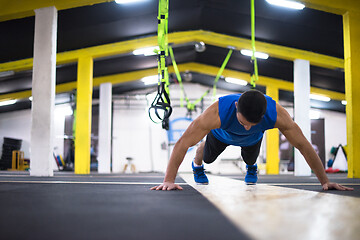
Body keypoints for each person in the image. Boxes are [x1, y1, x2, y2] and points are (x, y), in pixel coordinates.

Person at [151, 90, 353, 191]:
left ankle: (251, 166)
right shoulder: (216, 112)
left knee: (250, 159)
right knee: (207, 157)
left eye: (251, 123)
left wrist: (325, 181)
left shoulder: (277, 114)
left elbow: (303, 145)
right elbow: (182, 143)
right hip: (221, 135)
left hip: (252, 141)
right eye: (243, 122)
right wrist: (169, 179)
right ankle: (197, 165)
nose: (246, 126)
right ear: (236, 106)